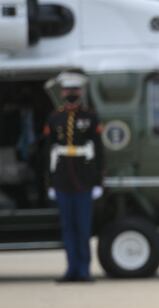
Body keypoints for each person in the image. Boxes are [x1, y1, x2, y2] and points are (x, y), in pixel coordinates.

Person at [44, 71, 105, 282]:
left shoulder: (90, 117)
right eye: (68, 90)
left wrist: (98, 182)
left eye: (75, 90)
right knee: (68, 228)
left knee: (83, 227)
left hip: (84, 180)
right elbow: (48, 150)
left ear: (80, 92)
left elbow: (98, 151)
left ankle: (84, 270)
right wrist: (50, 182)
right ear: (62, 93)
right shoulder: (55, 117)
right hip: (62, 180)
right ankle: (71, 270)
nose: (71, 93)